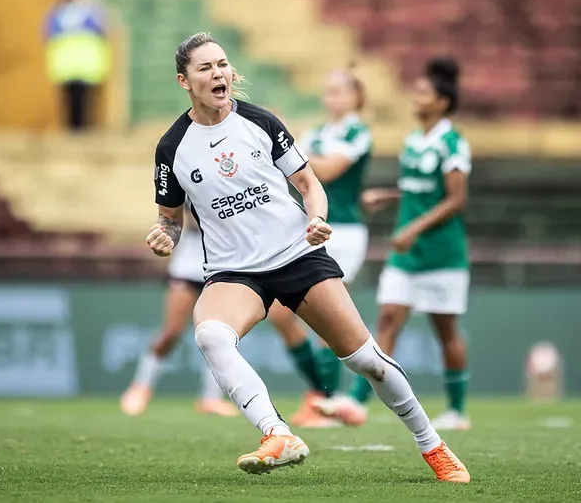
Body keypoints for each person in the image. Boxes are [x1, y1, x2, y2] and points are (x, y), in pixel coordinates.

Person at [146, 32, 469, 482]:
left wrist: (317, 219)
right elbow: (170, 218)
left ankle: (432, 445)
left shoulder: (261, 121)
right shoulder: (171, 148)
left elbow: (310, 184)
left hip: (297, 255)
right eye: (205, 68)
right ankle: (277, 433)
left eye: (222, 64)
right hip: (234, 271)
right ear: (184, 81)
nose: (219, 73)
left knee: (366, 359)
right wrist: (164, 233)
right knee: (211, 337)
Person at [316, 57, 473, 432]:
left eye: (423, 93)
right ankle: (355, 402)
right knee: (386, 320)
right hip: (406, 255)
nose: (415, 98)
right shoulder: (414, 141)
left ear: (442, 102)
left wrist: (414, 228)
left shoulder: (453, 142)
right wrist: (387, 196)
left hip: (442, 253)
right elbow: (419, 190)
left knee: (446, 331)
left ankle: (457, 410)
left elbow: (455, 199)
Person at [265, 66, 372, 428]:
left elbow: (323, 172)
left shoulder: (358, 132)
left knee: (328, 317)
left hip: (343, 231)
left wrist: (290, 141)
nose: (332, 98)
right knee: (280, 314)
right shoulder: (317, 133)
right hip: (310, 227)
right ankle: (323, 395)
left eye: (340, 91)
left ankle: (329, 401)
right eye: (328, 91)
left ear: (357, 96)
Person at [120, 203, 239, 418]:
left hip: (220, 269)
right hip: (187, 269)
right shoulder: (190, 180)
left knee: (218, 336)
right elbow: (188, 222)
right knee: (171, 332)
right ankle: (140, 387)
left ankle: (210, 399)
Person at [44, 0, 111, 131]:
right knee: (83, 99)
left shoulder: (57, 14)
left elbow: (47, 34)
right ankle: (81, 129)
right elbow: (103, 30)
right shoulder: (90, 13)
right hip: (85, 65)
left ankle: (71, 128)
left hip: (64, 65)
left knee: (68, 99)